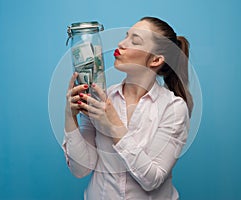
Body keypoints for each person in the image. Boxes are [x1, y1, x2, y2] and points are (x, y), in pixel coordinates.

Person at [62, 16, 193, 200]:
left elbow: (152, 180)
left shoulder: (173, 108)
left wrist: (114, 127)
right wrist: (70, 116)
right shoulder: (100, 99)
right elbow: (81, 169)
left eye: (135, 40)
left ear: (155, 60)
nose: (121, 44)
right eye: (126, 36)